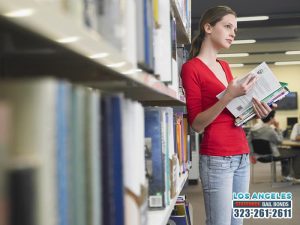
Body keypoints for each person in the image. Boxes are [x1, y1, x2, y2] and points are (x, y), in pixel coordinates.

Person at [180, 5, 272, 225]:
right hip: (217, 158)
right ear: (208, 27)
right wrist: (228, 96)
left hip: (241, 154)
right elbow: (196, 124)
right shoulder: (191, 68)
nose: (233, 33)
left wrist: (256, 112)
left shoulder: (225, 66)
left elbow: (231, 114)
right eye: (228, 26)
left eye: (235, 30)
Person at [247, 110, 293, 180]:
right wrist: (278, 127)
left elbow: (248, 141)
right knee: (289, 154)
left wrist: (252, 155)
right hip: (269, 156)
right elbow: (280, 141)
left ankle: (286, 175)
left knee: (284, 151)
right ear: (271, 118)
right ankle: (286, 176)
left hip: (257, 156)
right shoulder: (270, 130)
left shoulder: (253, 128)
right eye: (274, 117)